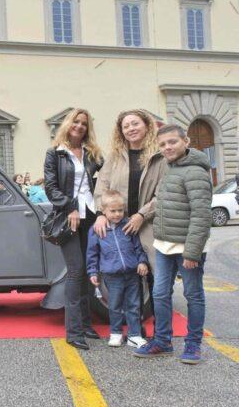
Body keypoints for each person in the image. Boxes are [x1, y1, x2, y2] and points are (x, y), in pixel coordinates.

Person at [135, 124, 212, 364]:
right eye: (163, 144)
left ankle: (193, 345)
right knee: (160, 294)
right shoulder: (170, 167)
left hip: (187, 248)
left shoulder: (196, 172)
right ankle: (162, 341)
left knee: (193, 294)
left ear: (185, 141)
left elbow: (201, 215)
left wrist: (192, 252)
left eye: (172, 142)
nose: (167, 147)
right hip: (164, 245)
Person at [92, 109, 167, 334]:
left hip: (148, 224)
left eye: (135, 124)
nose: (131, 129)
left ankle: (160, 333)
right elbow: (101, 186)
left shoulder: (159, 156)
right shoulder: (116, 156)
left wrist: (142, 215)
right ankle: (134, 329)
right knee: (128, 279)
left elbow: (163, 192)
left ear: (146, 126)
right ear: (121, 131)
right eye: (126, 126)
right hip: (119, 224)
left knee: (156, 280)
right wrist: (100, 213)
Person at [44, 108, 103, 351]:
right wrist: (69, 207)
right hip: (70, 216)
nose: (79, 126)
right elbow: (51, 187)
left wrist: (102, 212)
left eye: (84, 124)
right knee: (76, 270)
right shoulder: (55, 153)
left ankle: (87, 324)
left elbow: (102, 182)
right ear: (68, 124)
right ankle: (74, 330)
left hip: (91, 214)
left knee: (90, 270)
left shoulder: (93, 154)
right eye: (76, 122)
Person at [86, 190, 149, 349]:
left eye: (120, 210)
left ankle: (134, 335)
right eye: (112, 211)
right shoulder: (97, 229)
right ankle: (116, 333)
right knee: (114, 305)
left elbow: (138, 246)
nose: (117, 214)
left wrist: (142, 262)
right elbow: (92, 253)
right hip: (111, 275)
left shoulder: (128, 225)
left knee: (133, 305)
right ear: (104, 210)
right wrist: (92, 272)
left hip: (132, 273)